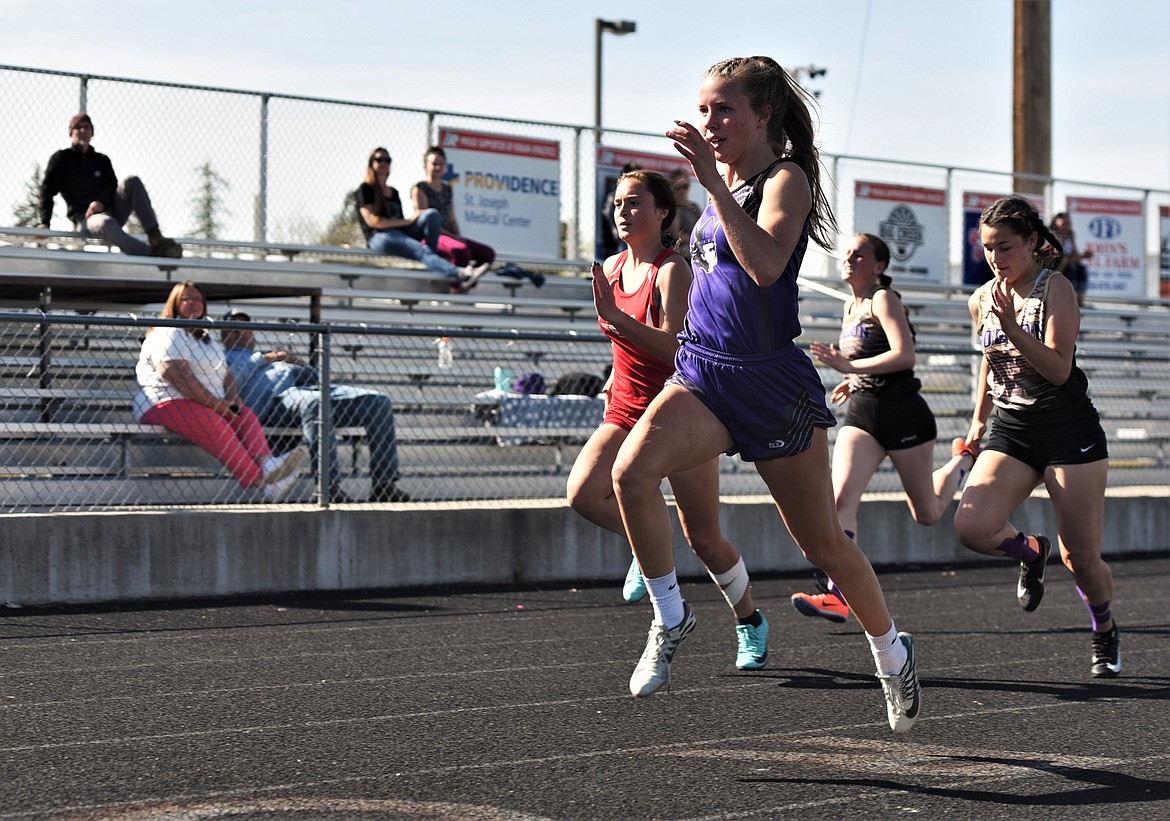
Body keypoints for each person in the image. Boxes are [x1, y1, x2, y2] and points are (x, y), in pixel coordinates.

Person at [612, 56, 920, 733]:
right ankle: (671, 616)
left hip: (771, 383)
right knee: (630, 472)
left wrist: (711, 190)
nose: (710, 122)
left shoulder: (786, 181)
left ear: (762, 115)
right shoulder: (719, 180)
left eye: (724, 109)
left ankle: (891, 651)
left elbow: (765, 264)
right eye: (704, 109)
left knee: (824, 548)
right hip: (704, 372)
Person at [566, 169, 769, 673]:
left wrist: (618, 319)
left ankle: (750, 621)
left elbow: (677, 347)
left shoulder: (672, 269)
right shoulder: (611, 268)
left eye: (635, 202)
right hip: (626, 407)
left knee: (703, 539)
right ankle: (648, 545)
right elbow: (625, 347)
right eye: (617, 201)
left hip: (679, 410)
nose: (622, 210)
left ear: (662, 213)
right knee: (584, 492)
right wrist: (614, 374)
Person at [954, 196, 1119, 678]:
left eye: (1005, 247)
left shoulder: (1056, 288)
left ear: (1031, 242)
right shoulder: (981, 298)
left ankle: (1104, 628)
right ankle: (1030, 550)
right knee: (972, 527)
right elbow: (990, 359)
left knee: (1081, 557)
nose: (995, 258)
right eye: (987, 249)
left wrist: (1010, 324)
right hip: (1013, 428)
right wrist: (977, 424)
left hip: (1068, 429)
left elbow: (1057, 368)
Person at [789, 233, 976, 623]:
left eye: (859, 254)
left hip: (903, 413)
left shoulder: (883, 299)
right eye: (847, 253)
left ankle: (961, 463)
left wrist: (849, 368)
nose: (849, 259)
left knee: (926, 512)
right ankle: (835, 593)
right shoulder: (851, 305)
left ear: (879, 266)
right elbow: (866, 358)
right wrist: (852, 380)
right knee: (841, 500)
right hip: (864, 412)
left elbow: (904, 355)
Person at [132, 282, 305, 501]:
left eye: (198, 299)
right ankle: (265, 483)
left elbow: (227, 373)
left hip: (205, 402)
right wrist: (217, 404)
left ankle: (267, 463)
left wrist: (232, 400)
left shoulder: (204, 336)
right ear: (175, 303)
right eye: (187, 299)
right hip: (165, 400)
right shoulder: (169, 330)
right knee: (217, 425)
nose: (194, 303)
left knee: (245, 416)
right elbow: (176, 375)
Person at [222, 311, 411, 504]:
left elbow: (311, 374)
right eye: (235, 330)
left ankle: (384, 485)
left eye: (245, 328)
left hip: (313, 389)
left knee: (379, 402)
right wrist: (267, 358)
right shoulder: (224, 358)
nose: (242, 333)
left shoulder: (263, 354)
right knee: (317, 403)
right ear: (223, 334)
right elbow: (233, 380)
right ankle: (328, 487)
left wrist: (298, 363)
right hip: (278, 399)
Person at [37, 112, 182, 258]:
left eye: (86, 127)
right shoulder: (62, 159)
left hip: (111, 210)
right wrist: (44, 222)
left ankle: (155, 237)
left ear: (92, 132)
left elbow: (111, 185)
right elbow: (47, 190)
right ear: (71, 132)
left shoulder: (102, 160)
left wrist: (99, 202)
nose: (82, 131)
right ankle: (152, 254)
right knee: (105, 223)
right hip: (85, 219)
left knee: (132, 181)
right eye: (78, 127)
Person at [355, 147, 488, 293]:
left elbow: (401, 220)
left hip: (399, 232)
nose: (383, 163)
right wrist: (408, 221)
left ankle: (434, 263)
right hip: (380, 236)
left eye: (387, 160)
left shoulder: (393, 192)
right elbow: (373, 222)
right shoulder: (365, 189)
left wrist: (410, 222)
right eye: (379, 159)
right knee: (423, 250)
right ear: (371, 163)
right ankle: (459, 273)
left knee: (431, 214)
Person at [411, 146, 496, 269]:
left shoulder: (447, 189)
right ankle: (453, 286)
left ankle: (465, 279)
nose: (438, 167)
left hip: (450, 236)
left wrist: (458, 236)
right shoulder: (420, 188)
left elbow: (452, 219)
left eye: (441, 164)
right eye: (434, 164)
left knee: (488, 254)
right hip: (432, 237)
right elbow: (428, 222)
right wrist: (453, 238)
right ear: (425, 166)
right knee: (461, 251)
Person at [1049, 212, 1093, 307]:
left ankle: (1079, 300)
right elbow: (1055, 255)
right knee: (1070, 268)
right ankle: (1067, 297)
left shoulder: (1069, 235)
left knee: (1081, 268)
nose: (1066, 227)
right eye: (1063, 224)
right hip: (1054, 263)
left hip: (1067, 262)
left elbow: (1075, 255)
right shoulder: (1051, 234)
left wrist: (1083, 256)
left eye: (1068, 224)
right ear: (1056, 222)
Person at [668, 167, 702, 262]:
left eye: (685, 186)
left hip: (696, 256)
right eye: (678, 188)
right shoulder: (673, 208)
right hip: (681, 256)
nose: (682, 191)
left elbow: (703, 230)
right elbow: (676, 235)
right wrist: (695, 237)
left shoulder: (694, 206)